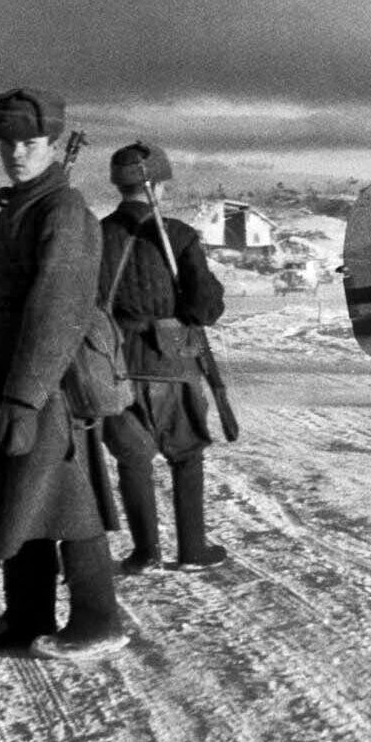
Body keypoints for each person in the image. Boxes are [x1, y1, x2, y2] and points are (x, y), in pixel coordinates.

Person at [0, 88, 126, 660]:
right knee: (19, 491)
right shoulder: (18, 210)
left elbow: (58, 310)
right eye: (7, 143)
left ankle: (99, 620)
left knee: (62, 492)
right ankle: (26, 616)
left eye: (30, 142)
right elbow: (8, 294)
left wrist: (24, 397)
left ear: (52, 144)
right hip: (8, 365)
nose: (16, 153)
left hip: (45, 376)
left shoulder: (64, 212)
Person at [98, 141, 229, 573]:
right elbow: (203, 308)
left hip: (114, 362)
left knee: (132, 457)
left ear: (120, 186)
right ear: (158, 186)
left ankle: (145, 553)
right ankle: (192, 549)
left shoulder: (97, 235)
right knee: (186, 454)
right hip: (173, 360)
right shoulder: (178, 234)